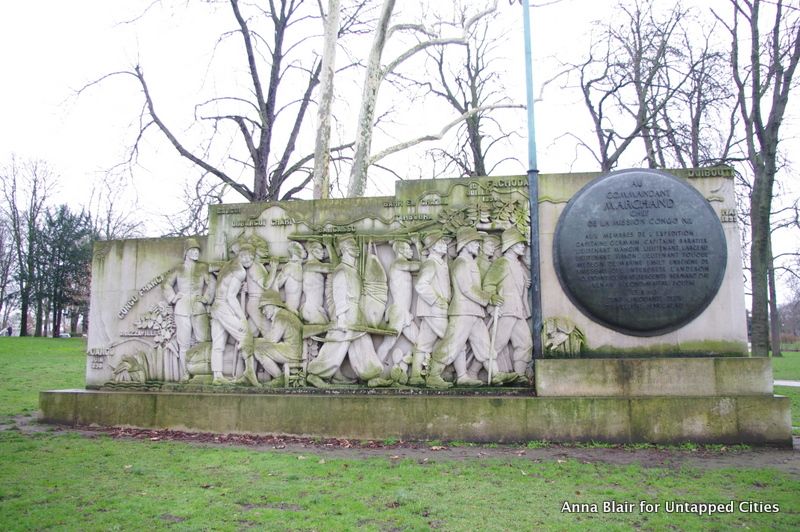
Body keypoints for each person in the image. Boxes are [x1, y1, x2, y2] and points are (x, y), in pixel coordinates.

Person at [427, 227, 515, 388]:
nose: (478, 245)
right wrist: (488, 298)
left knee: (484, 345)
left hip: (474, 312)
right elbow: (467, 288)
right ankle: (433, 375)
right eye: (475, 242)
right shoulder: (460, 263)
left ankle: (494, 374)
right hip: (462, 312)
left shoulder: (470, 262)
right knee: (452, 344)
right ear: (465, 244)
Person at [305, 235, 391, 388]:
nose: (356, 249)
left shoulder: (352, 270)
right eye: (352, 246)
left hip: (355, 312)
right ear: (344, 249)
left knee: (362, 344)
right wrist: (341, 317)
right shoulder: (342, 270)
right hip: (345, 313)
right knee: (336, 345)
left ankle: (371, 375)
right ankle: (316, 374)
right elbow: (339, 294)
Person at [483, 227, 533, 382]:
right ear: (510, 245)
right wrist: (492, 304)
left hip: (517, 310)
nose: (523, 247)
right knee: (496, 344)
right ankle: (486, 373)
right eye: (519, 244)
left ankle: (519, 375)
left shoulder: (517, 265)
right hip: (505, 309)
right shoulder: (502, 263)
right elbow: (488, 285)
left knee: (525, 343)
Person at [162, 238, 216, 380]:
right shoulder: (178, 268)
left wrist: (206, 298)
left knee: (204, 340)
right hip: (182, 308)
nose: (196, 253)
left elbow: (211, 283)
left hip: (198, 307)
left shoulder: (203, 267)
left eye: (197, 251)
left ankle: (204, 371)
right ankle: (185, 373)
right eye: (193, 251)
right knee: (183, 343)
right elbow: (166, 284)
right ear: (186, 253)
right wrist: (173, 298)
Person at [409, 231, 451, 386]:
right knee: (451, 339)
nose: (444, 245)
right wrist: (435, 300)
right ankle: (436, 376)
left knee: (424, 343)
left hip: (435, 310)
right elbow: (421, 284)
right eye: (440, 243)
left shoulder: (439, 262)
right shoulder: (431, 263)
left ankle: (414, 376)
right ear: (432, 247)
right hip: (434, 310)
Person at [237, 289, 303, 387]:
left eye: (264, 308)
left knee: (258, 348)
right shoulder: (283, 315)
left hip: (291, 352)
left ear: (272, 304)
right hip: (291, 349)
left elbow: (272, 339)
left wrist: (252, 341)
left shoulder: (281, 316)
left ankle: (279, 377)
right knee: (256, 345)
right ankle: (249, 372)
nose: (263, 312)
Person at [376, 239, 421, 383]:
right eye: (408, 249)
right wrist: (418, 244)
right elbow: (418, 265)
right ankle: (375, 372)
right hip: (398, 312)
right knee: (388, 344)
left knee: (420, 342)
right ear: (400, 250)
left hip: (404, 314)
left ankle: (417, 373)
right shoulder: (399, 264)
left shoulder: (402, 265)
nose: (411, 251)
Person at [209, 244, 255, 384]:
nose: (250, 260)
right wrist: (242, 318)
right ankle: (249, 374)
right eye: (247, 257)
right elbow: (231, 297)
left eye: (252, 258)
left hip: (215, 307)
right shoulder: (240, 271)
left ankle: (217, 376)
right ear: (240, 255)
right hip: (224, 307)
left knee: (218, 344)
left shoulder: (228, 265)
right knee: (245, 335)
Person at [300, 240, 333, 325]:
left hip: (316, 308)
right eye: (320, 249)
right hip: (312, 308)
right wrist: (329, 246)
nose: (323, 253)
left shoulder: (312, 266)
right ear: (312, 251)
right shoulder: (310, 266)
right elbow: (333, 267)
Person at [275, 241, 305, 313]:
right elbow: (276, 284)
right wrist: (277, 303)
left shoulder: (299, 266)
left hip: (295, 310)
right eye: (302, 250)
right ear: (297, 252)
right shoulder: (289, 267)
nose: (304, 252)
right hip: (289, 309)